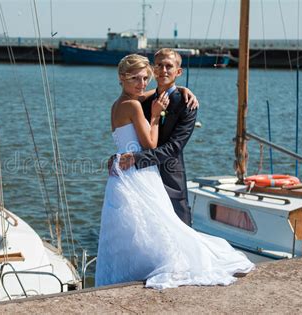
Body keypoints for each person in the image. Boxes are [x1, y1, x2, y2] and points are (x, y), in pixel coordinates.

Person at [95, 54, 254, 289]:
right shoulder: (136, 106)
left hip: (122, 174)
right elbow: (149, 144)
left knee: (132, 229)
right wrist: (155, 115)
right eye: (135, 79)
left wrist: (182, 88)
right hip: (139, 173)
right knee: (158, 227)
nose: (141, 84)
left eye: (144, 78)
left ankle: (129, 274)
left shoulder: (119, 104)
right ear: (122, 78)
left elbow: (151, 104)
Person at [118, 48, 196, 226]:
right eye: (159, 65)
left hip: (170, 181)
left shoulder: (187, 104)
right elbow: (127, 131)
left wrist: (136, 159)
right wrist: (117, 157)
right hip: (141, 181)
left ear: (178, 71)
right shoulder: (141, 101)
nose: (164, 70)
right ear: (153, 69)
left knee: (180, 235)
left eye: (169, 66)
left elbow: (174, 147)